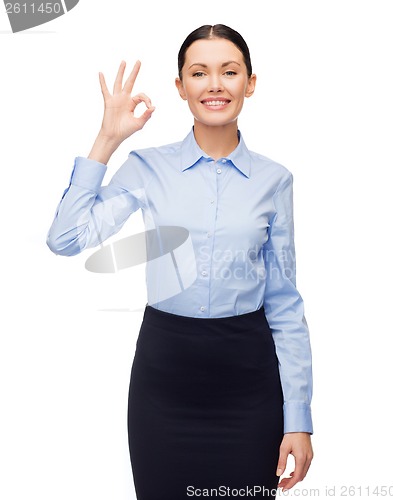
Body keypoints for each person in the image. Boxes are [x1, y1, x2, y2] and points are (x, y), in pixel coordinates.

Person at [47, 24, 313, 500]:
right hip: (164, 383)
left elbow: (285, 304)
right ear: (180, 87)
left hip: (249, 388)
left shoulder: (275, 180)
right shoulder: (148, 168)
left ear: (250, 83)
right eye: (199, 72)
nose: (215, 84)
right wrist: (107, 140)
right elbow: (66, 239)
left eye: (229, 72)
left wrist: (298, 417)